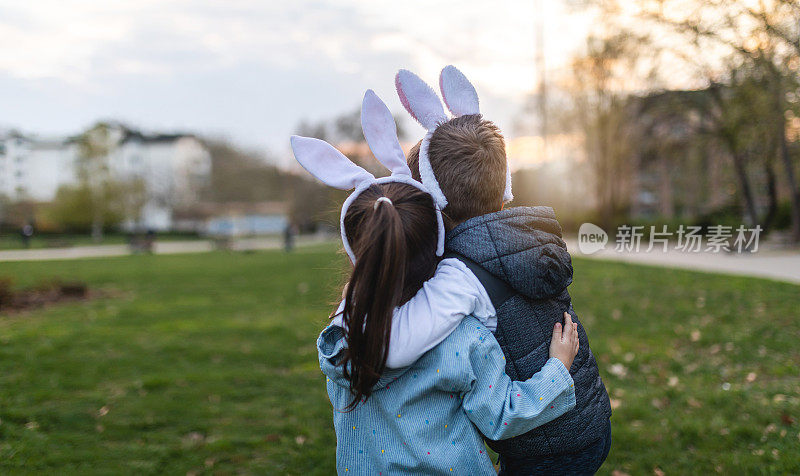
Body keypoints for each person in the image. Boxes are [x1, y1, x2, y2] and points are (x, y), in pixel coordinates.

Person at [293, 90, 580, 474]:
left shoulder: (340, 340)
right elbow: (503, 416)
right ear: (440, 243)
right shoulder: (463, 340)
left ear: (357, 252)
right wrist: (558, 370)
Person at [387, 66, 612, 475]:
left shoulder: (462, 275)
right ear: (503, 184)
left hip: (544, 443)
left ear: (431, 198)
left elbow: (399, 347)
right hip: (588, 419)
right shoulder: (530, 235)